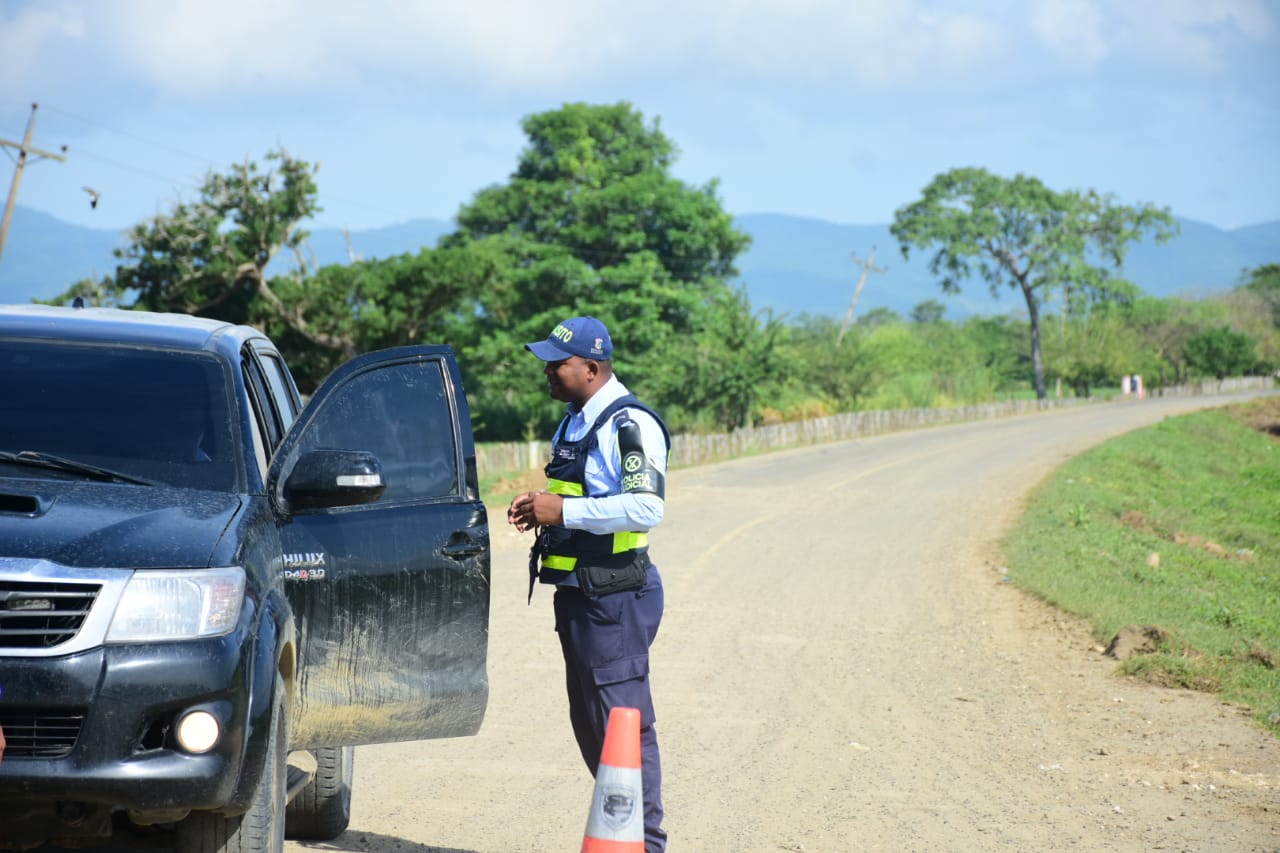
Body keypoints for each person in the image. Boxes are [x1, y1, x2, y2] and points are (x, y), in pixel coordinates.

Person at [507, 316, 671, 852]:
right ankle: (622, 837)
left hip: (615, 597)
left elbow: (647, 505)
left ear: (592, 368)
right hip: (581, 597)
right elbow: (577, 495)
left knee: (624, 728)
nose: (548, 372)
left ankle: (644, 845)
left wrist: (565, 510)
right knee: (595, 729)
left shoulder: (628, 423)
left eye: (558, 364)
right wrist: (541, 507)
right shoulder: (575, 421)